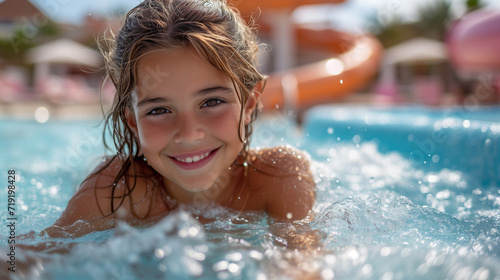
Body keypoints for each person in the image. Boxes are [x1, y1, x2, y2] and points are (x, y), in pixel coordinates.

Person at [42, 0, 315, 238]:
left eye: (212, 102)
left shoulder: (280, 177)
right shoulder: (114, 191)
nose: (188, 133)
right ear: (133, 122)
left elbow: (303, 266)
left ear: (249, 104)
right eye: (159, 110)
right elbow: (29, 259)